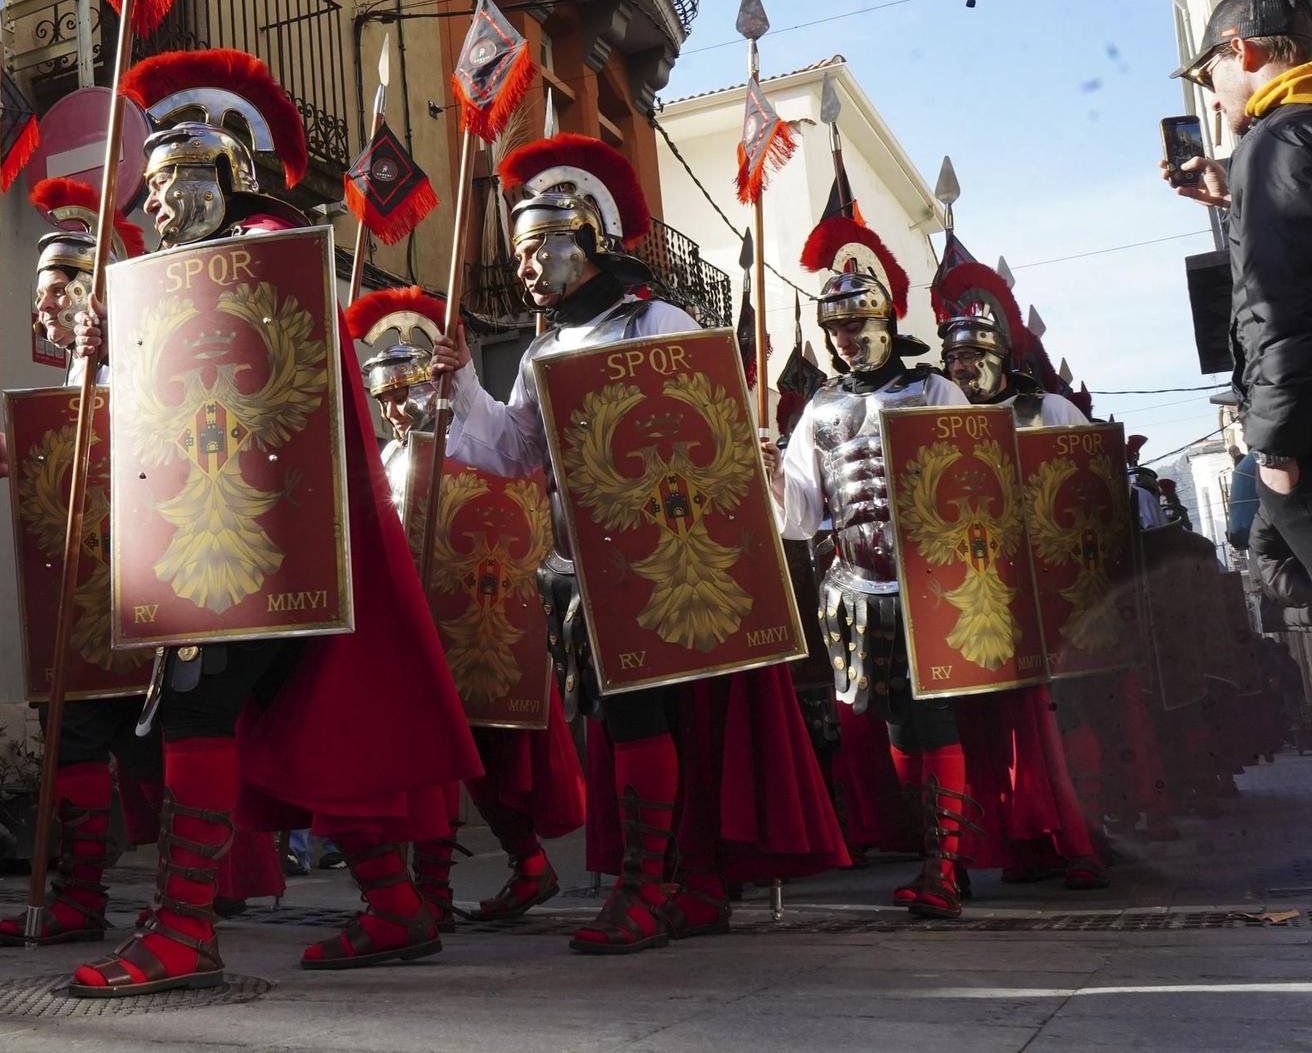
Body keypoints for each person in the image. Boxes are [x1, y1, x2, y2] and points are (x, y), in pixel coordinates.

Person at [65, 48, 480, 996]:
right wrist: (112, 349)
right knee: (307, 716)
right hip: (229, 527)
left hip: (253, 535)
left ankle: (182, 929)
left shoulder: (267, 255)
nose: (155, 211)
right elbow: (176, 407)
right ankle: (395, 905)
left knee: (198, 702)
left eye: (169, 189)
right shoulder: (193, 273)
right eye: (151, 194)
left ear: (218, 178)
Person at [429, 132, 844, 954]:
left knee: (648, 717)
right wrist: (464, 382)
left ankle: (652, 890)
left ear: (587, 239)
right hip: (585, 574)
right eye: (517, 251)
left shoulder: (659, 318)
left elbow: (696, 428)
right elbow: (515, 452)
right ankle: (681, 884)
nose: (525, 266)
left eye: (538, 245)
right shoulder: (543, 349)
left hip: (668, 568)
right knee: (627, 726)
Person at [0, 178, 281, 944]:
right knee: (72, 728)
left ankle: (196, 896)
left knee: (167, 728)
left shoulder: (156, 349)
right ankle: (83, 896)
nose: (42, 308)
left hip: (161, 581)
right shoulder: (81, 373)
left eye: (53, 291)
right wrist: (26, 458)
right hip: (94, 588)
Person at [347, 285, 584, 928]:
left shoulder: (467, 446)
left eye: (406, 391)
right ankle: (505, 870)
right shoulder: (392, 456)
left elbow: (515, 511)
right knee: (446, 759)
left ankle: (445, 886)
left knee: (473, 760)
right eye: (385, 397)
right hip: (413, 622)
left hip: (476, 619)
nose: (396, 408)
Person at [769, 201, 975, 920]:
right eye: (837, 327)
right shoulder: (818, 411)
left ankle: (944, 866)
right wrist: (769, 472)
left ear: (887, 317)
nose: (848, 337)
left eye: (858, 322)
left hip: (932, 588)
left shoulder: (934, 390)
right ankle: (937, 850)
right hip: (857, 590)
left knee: (937, 720)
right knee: (896, 725)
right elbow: (799, 513)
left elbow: (975, 489)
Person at [933, 248, 1109, 890]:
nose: (963, 368)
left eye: (974, 357)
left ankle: (1081, 842)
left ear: (1002, 357)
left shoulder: (1049, 413)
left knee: (1055, 728)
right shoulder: (940, 428)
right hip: (975, 601)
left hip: (1047, 600)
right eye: (953, 359)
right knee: (987, 732)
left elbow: (1092, 498)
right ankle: (1020, 848)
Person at [1167, 0, 1312, 571]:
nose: (1216, 98)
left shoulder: (1271, 142)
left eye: (1210, 76)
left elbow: (1278, 306)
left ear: (1242, 51)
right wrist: (1236, 201)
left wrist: (1275, 443)